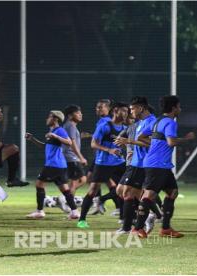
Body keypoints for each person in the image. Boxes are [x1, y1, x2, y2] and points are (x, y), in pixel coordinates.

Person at [132, 95, 195, 238]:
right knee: (149, 195)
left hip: (161, 164)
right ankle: (137, 228)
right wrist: (187, 139)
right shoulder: (170, 123)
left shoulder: (157, 121)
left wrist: (155, 145)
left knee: (173, 192)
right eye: (179, 106)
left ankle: (165, 228)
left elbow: (140, 137)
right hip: (157, 164)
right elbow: (171, 142)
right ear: (173, 108)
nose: (180, 109)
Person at [77, 102, 129, 229]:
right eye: (123, 111)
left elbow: (124, 144)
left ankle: (123, 218)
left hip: (119, 162)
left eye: (127, 111)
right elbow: (93, 144)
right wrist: (109, 150)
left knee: (124, 189)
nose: (126, 114)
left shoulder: (124, 128)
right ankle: (82, 219)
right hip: (103, 163)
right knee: (93, 190)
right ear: (115, 110)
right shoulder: (105, 126)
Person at [25, 111, 80, 220]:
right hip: (59, 165)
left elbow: (69, 142)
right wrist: (32, 139)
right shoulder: (53, 131)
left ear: (55, 119)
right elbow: (45, 146)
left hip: (53, 165)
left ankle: (40, 211)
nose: (47, 119)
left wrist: (55, 135)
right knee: (65, 190)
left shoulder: (59, 130)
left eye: (49, 117)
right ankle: (74, 212)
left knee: (39, 184)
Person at [114, 97, 157, 234]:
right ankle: (149, 214)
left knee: (126, 192)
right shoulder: (140, 123)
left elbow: (151, 143)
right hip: (135, 162)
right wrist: (128, 145)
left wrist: (129, 141)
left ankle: (127, 227)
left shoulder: (152, 122)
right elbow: (137, 142)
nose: (130, 111)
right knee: (121, 191)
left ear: (141, 108)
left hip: (142, 163)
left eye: (132, 108)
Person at [62, 105, 88, 196]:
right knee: (81, 180)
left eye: (80, 112)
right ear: (70, 116)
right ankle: (68, 203)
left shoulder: (68, 125)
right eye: (77, 113)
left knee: (76, 180)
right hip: (71, 156)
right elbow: (72, 143)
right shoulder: (71, 126)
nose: (80, 114)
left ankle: (66, 198)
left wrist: (80, 136)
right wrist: (81, 157)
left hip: (69, 157)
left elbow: (70, 139)